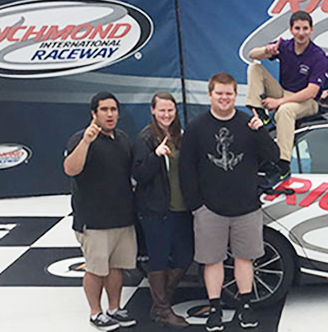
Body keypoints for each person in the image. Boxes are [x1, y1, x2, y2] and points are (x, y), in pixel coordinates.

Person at [181, 73, 281, 331]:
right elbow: (186, 169)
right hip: (209, 209)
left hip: (246, 207)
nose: (224, 98)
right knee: (212, 260)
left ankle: (245, 307)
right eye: (219, 93)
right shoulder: (196, 127)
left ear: (235, 96)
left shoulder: (249, 124)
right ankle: (214, 309)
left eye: (229, 94)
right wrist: (196, 205)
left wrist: (261, 132)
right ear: (210, 95)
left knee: (245, 258)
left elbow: (273, 157)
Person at [63, 92, 138, 331]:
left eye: (113, 110)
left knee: (116, 269)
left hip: (122, 218)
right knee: (96, 270)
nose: (110, 114)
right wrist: (86, 141)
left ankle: (114, 308)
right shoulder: (80, 139)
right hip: (93, 221)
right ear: (93, 113)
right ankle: (96, 313)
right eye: (104, 110)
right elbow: (70, 169)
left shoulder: (124, 139)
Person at [131, 92, 192, 328]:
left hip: (181, 208)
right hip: (156, 211)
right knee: (158, 259)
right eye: (162, 110)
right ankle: (164, 310)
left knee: (185, 254)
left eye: (170, 110)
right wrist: (155, 156)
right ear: (153, 111)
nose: (167, 114)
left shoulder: (179, 135)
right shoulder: (145, 139)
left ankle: (159, 305)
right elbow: (138, 175)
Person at [246, 10, 327, 179]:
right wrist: (267, 50)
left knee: (284, 111)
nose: (301, 33)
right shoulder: (284, 45)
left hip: (308, 101)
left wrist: (279, 102)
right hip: (285, 93)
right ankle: (259, 112)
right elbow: (251, 55)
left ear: (311, 30)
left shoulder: (318, 55)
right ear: (291, 29)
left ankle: (283, 163)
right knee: (254, 68)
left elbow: (312, 91)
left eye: (305, 28)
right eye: (297, 28)